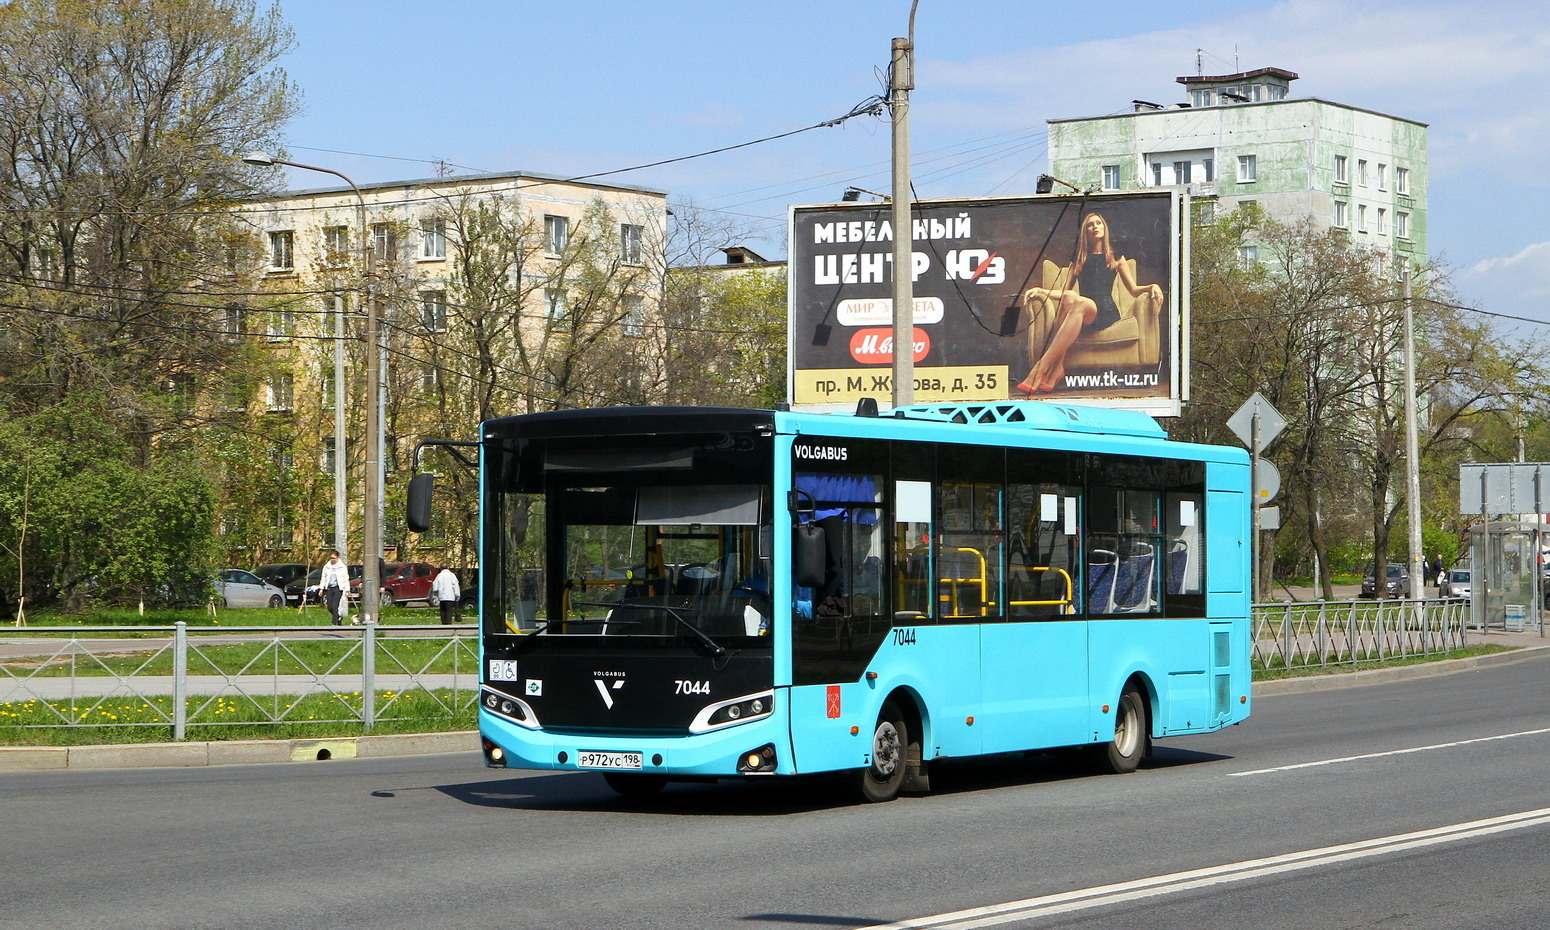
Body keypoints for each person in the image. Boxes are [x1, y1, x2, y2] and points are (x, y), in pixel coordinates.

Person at [1016, 211, 1165, 395]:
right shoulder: (1079, 259)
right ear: (1085, 231)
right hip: (1084, 309)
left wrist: (1152, 286)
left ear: (1104, 228)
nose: (1095, 227)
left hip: (1105, 312)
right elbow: (1063, 292)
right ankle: (1057, 368)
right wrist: (1041, 290)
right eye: (1090, 224)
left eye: (1098, 223)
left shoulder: (1116, 258)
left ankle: (1041, 369)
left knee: (1077, 301)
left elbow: (1133, 290)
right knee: (1070, 297)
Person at [317, 549, 350, 626]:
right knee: (329, 606)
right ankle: (338, 617)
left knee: (335, 605)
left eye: (334, 558)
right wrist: (321, 588)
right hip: (329, 588)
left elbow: (346, 578)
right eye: (331, 558)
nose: (332, 560)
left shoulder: (342, 567)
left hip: (338, 588)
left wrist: (347, 590)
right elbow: (323, 578)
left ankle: (334, 623)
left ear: (338, 558)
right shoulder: (327, 567)